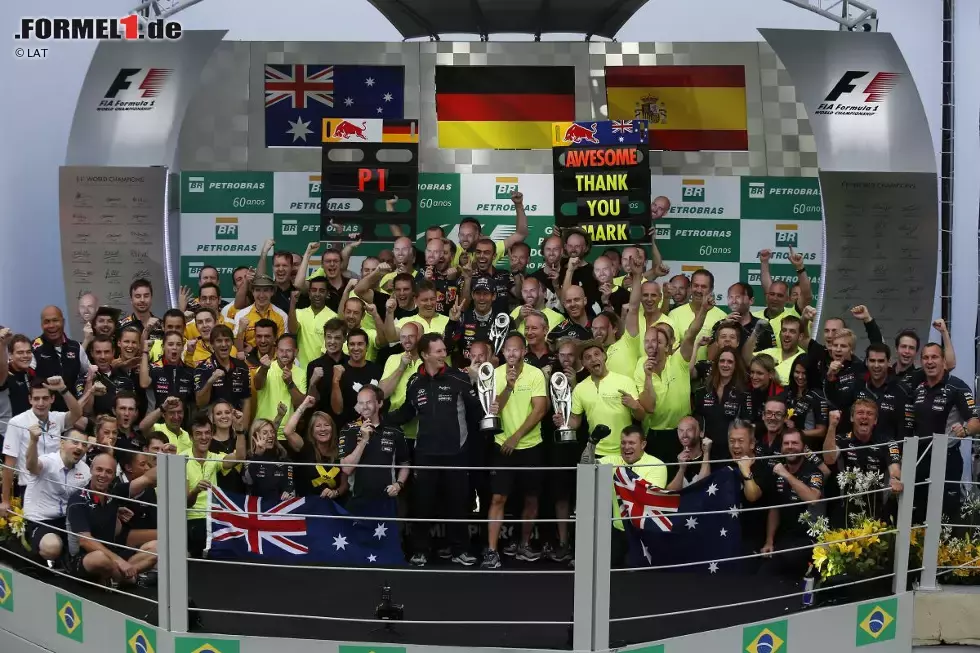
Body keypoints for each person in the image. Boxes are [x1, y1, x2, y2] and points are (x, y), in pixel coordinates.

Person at [386, 333, 484, 567]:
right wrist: (380, 418)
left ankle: (460, 550)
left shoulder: (458, 378)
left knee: (458, 503)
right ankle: (420, 550)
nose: (444, 354)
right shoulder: (414, 382)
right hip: (425, 453)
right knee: (423, 504)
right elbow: (407, 413)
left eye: (444, 350)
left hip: (456, 452)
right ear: (425, 354)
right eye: (439, 351)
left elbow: (478, 413)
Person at [481, 333, 549, 569]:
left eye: (516, 349)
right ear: (503, 352)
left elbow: (540, 410)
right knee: (498, 497)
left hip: (530, 446)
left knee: (531, 497)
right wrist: (509, 387)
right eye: (508, 350)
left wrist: (516, 437)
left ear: (524, 351)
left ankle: (524, 544)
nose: (512, 354)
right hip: (501, 445)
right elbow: (493, 410)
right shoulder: (495, 374)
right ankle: (491, 551)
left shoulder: (536, 374)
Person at [66, 452, 159, 585]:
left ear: (114, 475)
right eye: (99, 469)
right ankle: (131, 579)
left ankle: (117, 577)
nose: (103, 475)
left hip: (112, 552)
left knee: (157, 547)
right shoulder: (78, 499)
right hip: (85, 558)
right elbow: (85, 542)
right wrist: (119, 561)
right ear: (91, 470)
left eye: (109, 472)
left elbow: (147, 478)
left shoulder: (114, 491)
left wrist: (167, 455)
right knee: (99, 559)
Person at [2, 377, 87, 516]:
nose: (40, 403)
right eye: (36, 399)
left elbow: (77, 413)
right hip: (31, 487)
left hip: (57, 486)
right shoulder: (16, 422)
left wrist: (63, 389)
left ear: (52, 399)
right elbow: (9, 464)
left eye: (45, 398)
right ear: (30, 399)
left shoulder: (57, 418)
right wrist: (5, 500)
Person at [560, 340, 645, 458]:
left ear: (604, 356)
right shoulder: (580, 388)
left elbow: (641, 416)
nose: (593, 359)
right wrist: (564, 422)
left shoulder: (625, 381)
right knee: (601, 477)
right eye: (588, 357)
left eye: (596, 354)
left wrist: (635, 406)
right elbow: (575, 421)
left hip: (624, 451)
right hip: (596, 451)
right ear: (583, 363)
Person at [600, 425, 667, 568]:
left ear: (643, 444)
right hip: (618, 531)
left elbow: (648, 498)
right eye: (623, 442)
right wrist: (591, 443)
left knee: (635, 574)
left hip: (644, 532)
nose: (626, 447)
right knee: (604, 568)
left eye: (631, 443)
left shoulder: (657, 465)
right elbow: (585, 466)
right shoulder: (613, 461)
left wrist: (619, 477)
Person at [22, 426, 90, 563]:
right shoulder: (48, 461)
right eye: (75, 442)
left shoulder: (85, 470)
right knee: (52, 547)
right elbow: (31, 466)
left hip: (67, 521)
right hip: (40, 520)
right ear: (62, 443)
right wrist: (33, 441)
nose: (80, 447)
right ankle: (36, 562)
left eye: (84, 444)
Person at [339, 385, 410, 517]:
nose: (364, 407)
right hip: (358, 500)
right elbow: (346, 469)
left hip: (387, 500)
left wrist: (398, 485)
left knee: (390, 537)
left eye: (369, 402)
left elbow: (405, 464)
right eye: (360, 403)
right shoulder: (349, 429)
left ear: (380, 403)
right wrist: (364, 440)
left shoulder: (395, 430)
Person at [761, 429, 823, 576]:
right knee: (764, 572)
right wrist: (769, 541)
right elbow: (775, 509)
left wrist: (786, 475)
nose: (790, 446)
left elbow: (813, 499)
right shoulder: (778, 471)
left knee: (790, 562)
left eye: (795, 443)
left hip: (809, 539)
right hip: (784, 538)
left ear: (803, 447)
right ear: (781, 448)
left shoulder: (814, 472)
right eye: (786, 443)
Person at [185, 413, 245, 558]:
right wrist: (196, 491)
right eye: (198, 434)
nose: (204, 437)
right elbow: (186, 502)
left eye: (207, 433)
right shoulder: (183, 459)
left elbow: (240, 458)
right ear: (191, 437)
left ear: (212, 435)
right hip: (193, 519)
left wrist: (240, 431)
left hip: (215, 519)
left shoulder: (214, 457)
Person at [285, 396, 348, 500]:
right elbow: (288, 431)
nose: (323, 429)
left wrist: (335, 493)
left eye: (326, 425)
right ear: (312, 431)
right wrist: (304, 405)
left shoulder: (340, 450)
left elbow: (344, 485)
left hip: (334, 506)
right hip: (309, 505)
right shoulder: (306, 448)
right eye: (318, 426)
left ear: (332, 428)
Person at [254, 334, 307, 439]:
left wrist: (290, 383)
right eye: (281, 351)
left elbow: (300, 404)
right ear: (276, 351)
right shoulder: (265, 368)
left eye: (289, 351)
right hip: (262, 430)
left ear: (296, 352)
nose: (284, 354)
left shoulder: (301, 373)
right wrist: (264, 369)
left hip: (287, 433)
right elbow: (257, 385)